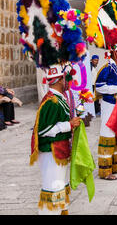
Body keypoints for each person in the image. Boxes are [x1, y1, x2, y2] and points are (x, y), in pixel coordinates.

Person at [30, 64, 82, 214]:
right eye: (67, 79)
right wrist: (68, 125)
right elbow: (43, 130)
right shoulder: (51, 102)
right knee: (52, 189)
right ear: (60, 80)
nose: (69, 82)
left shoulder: (59, 98)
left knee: (59, 187)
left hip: (60, 149)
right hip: (51, 151)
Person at [95, 42, 117, 180]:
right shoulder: (107, 67)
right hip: (109, 105)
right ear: (114, 52)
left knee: (116, 134)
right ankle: (104, 170)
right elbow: (99, 87)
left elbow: (116, 84)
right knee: (107, 134)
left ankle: (113, 166)